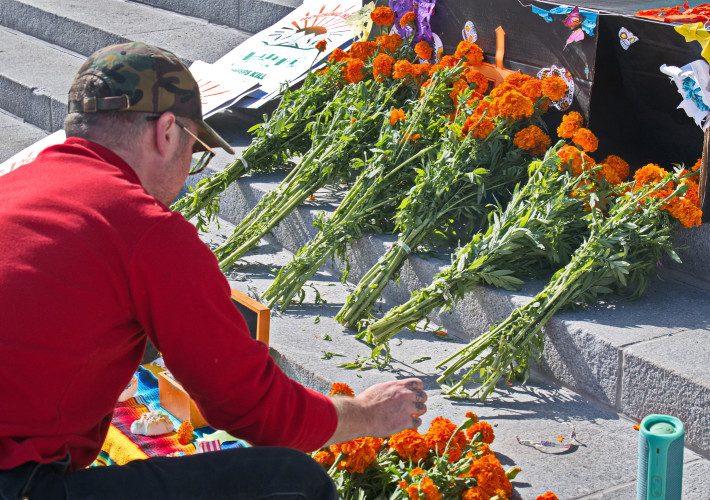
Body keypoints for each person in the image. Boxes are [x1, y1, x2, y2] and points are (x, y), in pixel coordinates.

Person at [0, 42, 427, 499]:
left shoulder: (15, 185)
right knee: (290, 480)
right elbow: (253, 409)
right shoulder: (143, 227)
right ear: (167, 131)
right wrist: (365, 413)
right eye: (196, 147)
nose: (189, 169)